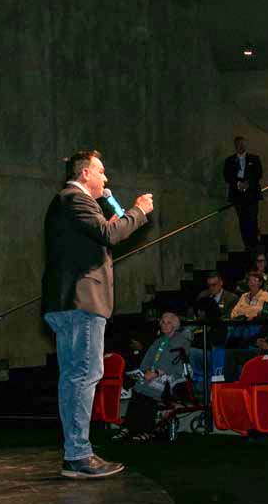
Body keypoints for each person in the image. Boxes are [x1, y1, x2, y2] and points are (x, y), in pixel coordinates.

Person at [42, 149, 153, 479]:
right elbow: (107, 235)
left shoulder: (68, 204)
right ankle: (78, 455)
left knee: (73, 377)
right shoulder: (75, 199)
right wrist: (139, 211)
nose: (106, 179)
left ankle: (74, 452)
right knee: (84, 374)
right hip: (81, 302)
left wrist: (118, 223)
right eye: (101, 172)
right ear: (84, 174)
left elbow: (99, 235)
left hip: (68, 303)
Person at [116, 312, 192, 442]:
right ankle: (128, 426)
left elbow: (173, 362)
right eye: (162, 322)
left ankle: (146, 430)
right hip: (153, 373)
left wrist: (156, 373)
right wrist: (142, 372)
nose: (164, 325)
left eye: (168, 322)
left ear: (174, 325)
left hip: (172, 376)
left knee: (149, 388)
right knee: (139, 386)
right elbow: (147, 360)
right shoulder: (158, 341)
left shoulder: (181, 340)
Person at [223, 136, 263, 249]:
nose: (241, 146)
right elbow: (227, 176)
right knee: (243, 221)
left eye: (242, 144)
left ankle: (254, 244)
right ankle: (248, 245)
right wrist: (238, 184)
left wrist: (248, 183)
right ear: (235, 146)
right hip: (237, 195)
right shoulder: (230, 160)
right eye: (238, 144)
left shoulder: (254, 158)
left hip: (251, 194)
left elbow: (258, 173)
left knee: (252, 219)